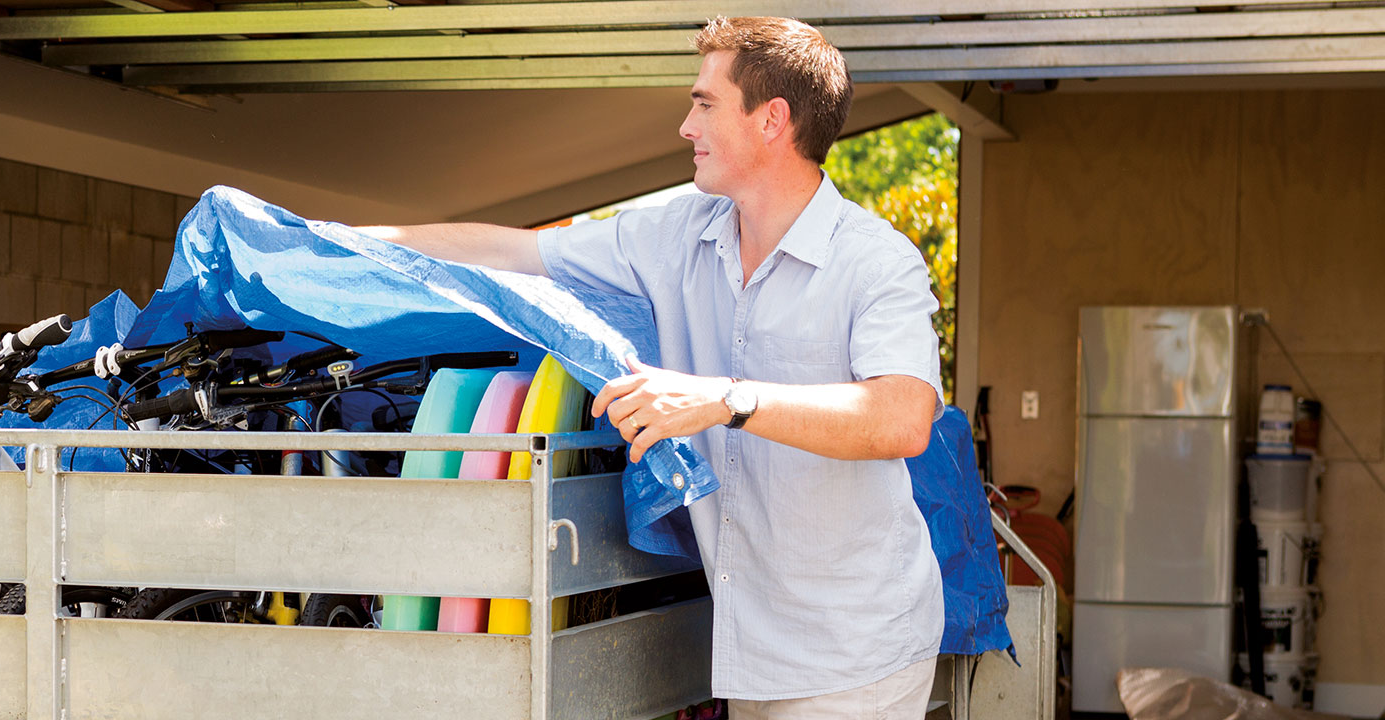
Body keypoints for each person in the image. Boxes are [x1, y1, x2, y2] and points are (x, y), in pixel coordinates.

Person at [359, 16, 946, 719]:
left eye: (705, 104)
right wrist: (341, 240)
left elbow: (903, 418)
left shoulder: (876, 262)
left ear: (771, 120)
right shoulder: (676, 234)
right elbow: (515, 252)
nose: (684, 126)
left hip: (858, 655)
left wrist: (727, 400)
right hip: (749, 650)